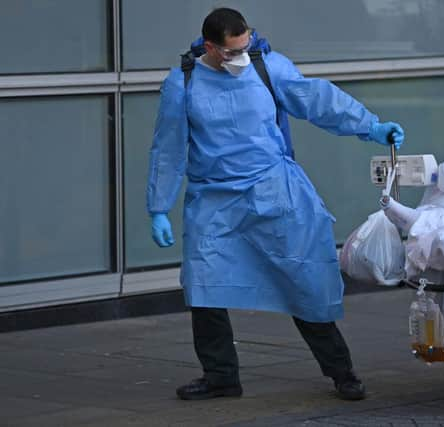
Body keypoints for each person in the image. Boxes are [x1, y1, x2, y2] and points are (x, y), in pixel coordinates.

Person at [147, 7, 405, 402]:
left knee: (303, 281)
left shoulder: (267, 67)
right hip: (215, 200)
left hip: (274, 193)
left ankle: (342, 372)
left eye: (245, 46)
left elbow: (317, 100)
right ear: (212, 48)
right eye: (232, 51)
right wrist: (158, 207)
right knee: (204, 288)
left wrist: (369, 126)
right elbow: (168, 148)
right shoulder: (183, 84)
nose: (241, 57)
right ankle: (220, 377)